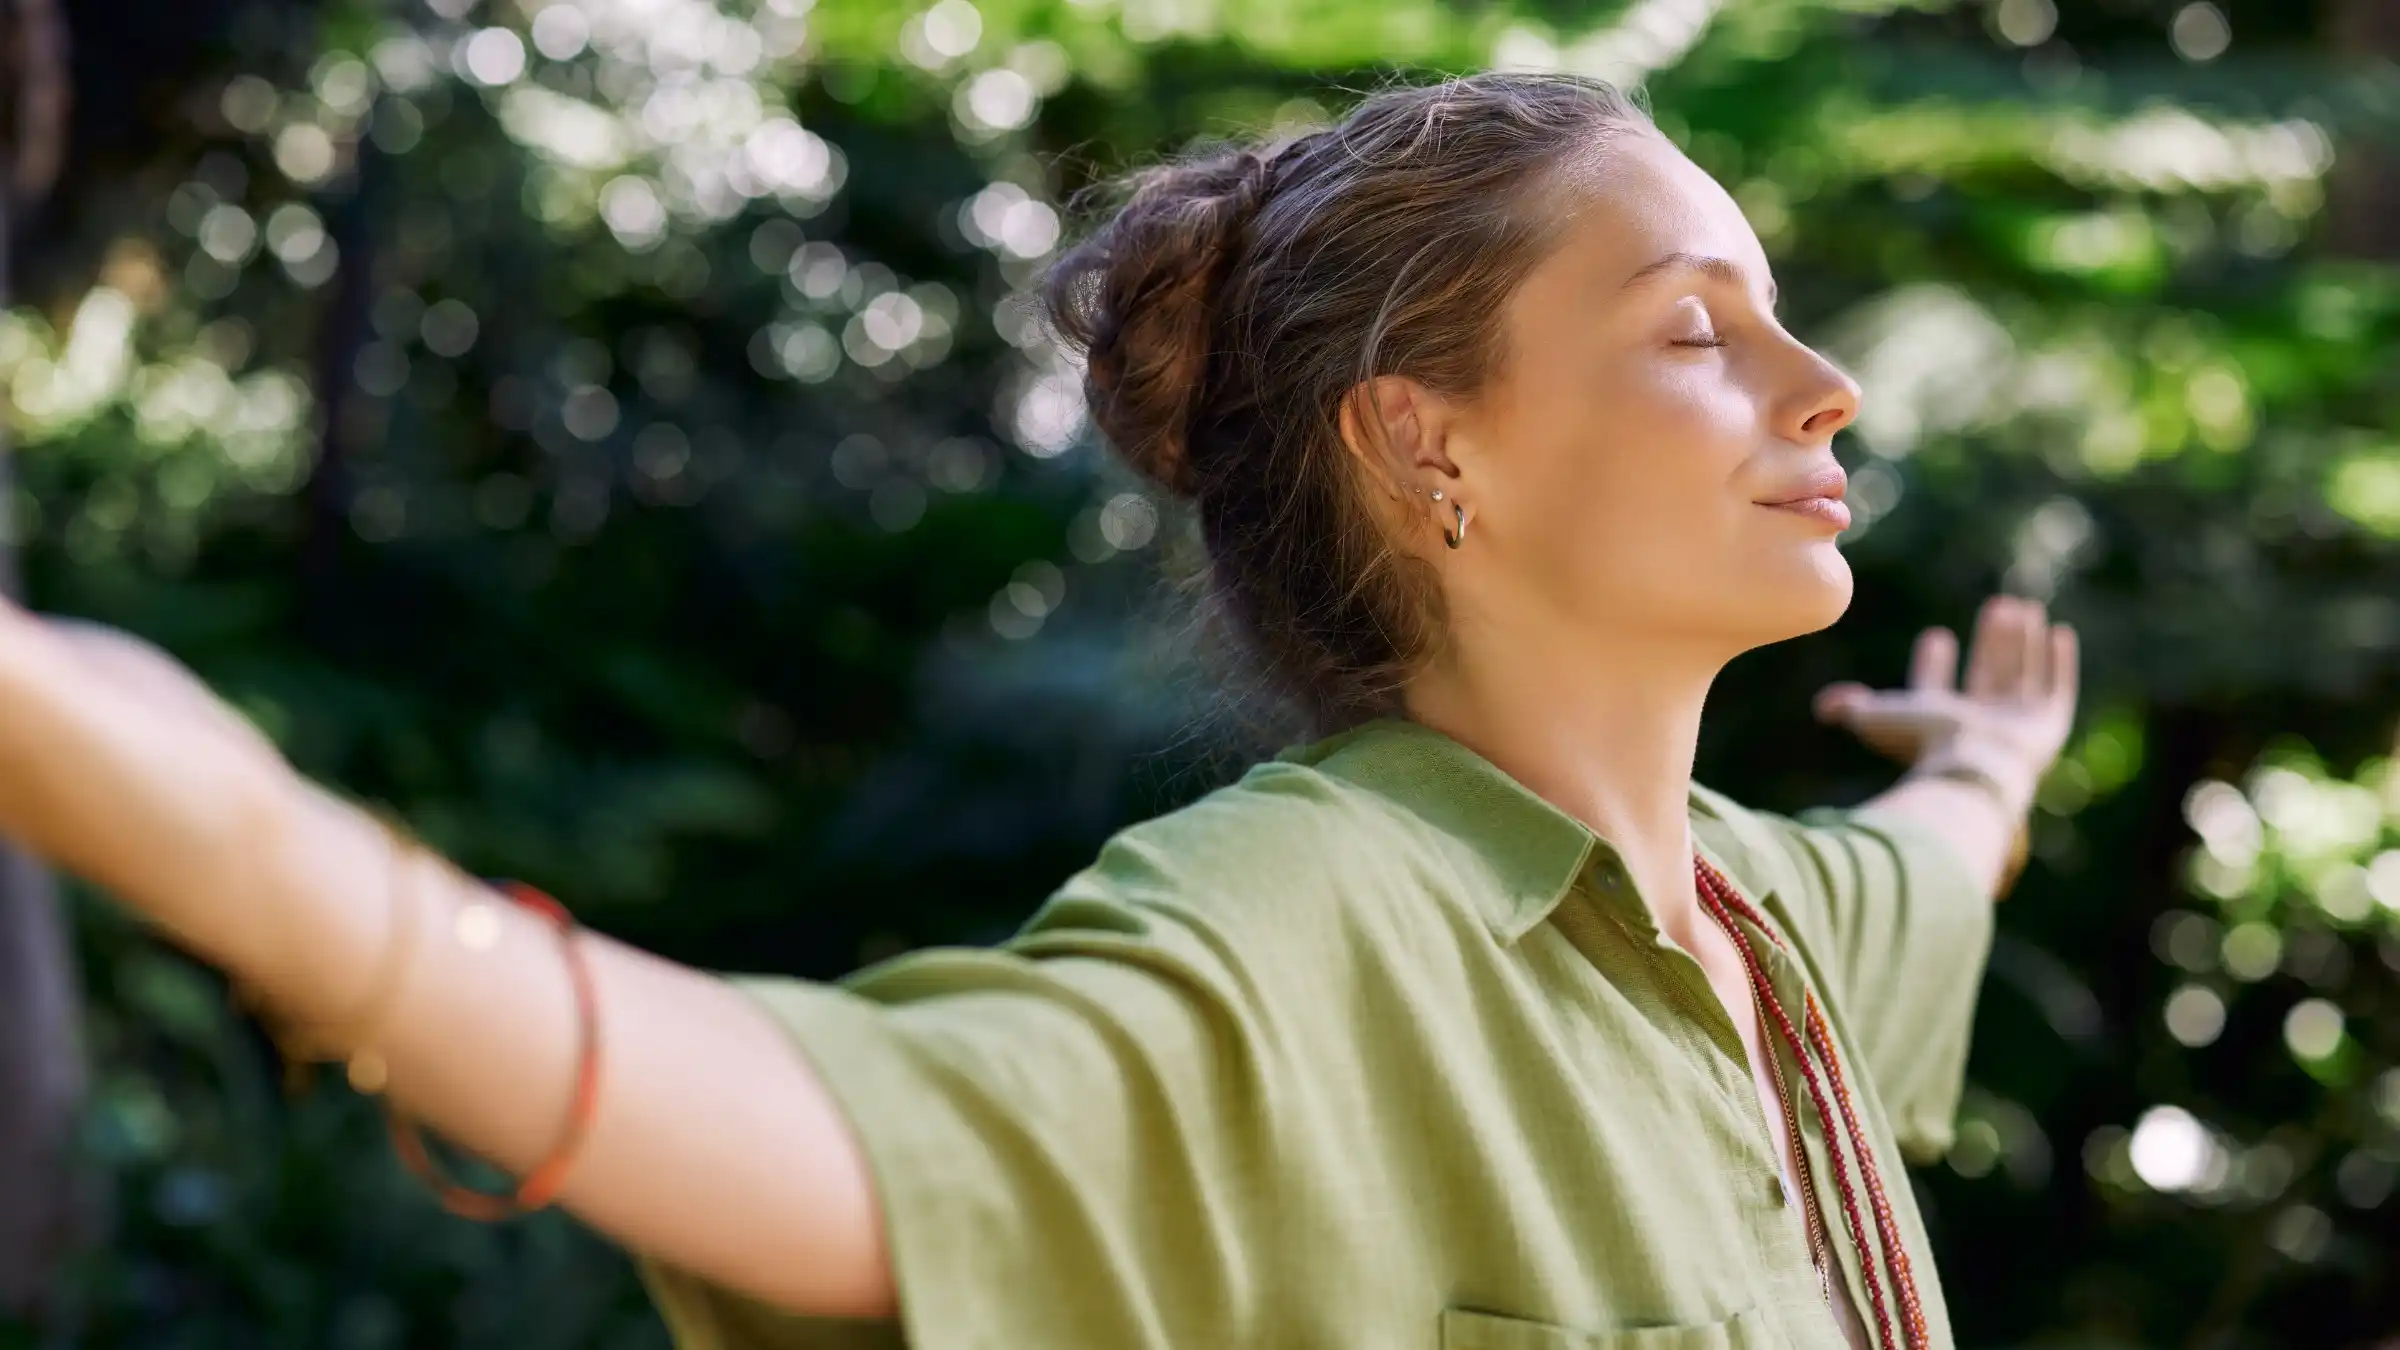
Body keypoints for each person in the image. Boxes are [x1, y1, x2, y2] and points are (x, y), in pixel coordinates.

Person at [0, 72, 2075, 1350]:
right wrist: (251, 854)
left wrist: (1987, 762)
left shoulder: (1781, 923)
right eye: (1696, 329)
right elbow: (854, 1150)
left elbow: (1937, 861)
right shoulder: (1318, 913)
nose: (1826, 386)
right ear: (1428, 447)